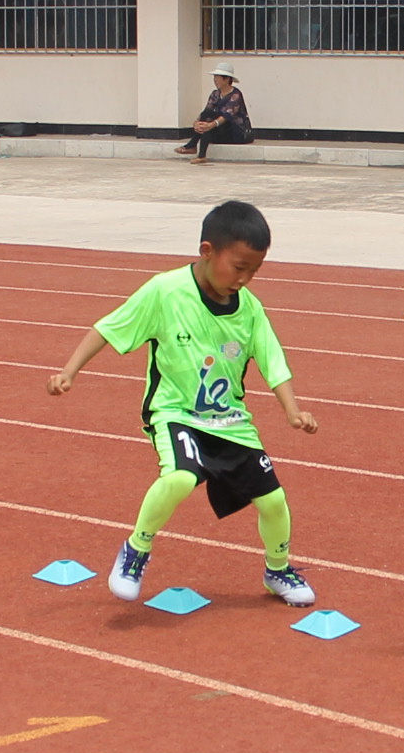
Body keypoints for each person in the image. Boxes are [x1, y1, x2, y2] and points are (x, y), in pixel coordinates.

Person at [45, 198, 321, 608]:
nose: (245, 280)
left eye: (255, 271)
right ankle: (136, 549)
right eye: (239, 267)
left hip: (230, 421)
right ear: (207, 251)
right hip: (175, 414)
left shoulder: (249, 308)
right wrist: (70, 370)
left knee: (273, 500)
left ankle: (277, 570)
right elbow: (108, 327)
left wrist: (292, 410)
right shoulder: (165, 291)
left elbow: (271, 359)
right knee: (180, 477)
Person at [177, 68, 252, 162]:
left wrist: (210, 125)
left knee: (209, 123)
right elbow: (207, 110)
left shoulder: (236, 95)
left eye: (218, 77)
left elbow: (226, 116)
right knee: (207, 115)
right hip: (220, 129)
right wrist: (197, 122)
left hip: (235, 132)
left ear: (227, 79)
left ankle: (195, 148)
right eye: (214, 77)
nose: (215, 80)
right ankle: (196, 149)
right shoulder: (215, 94)